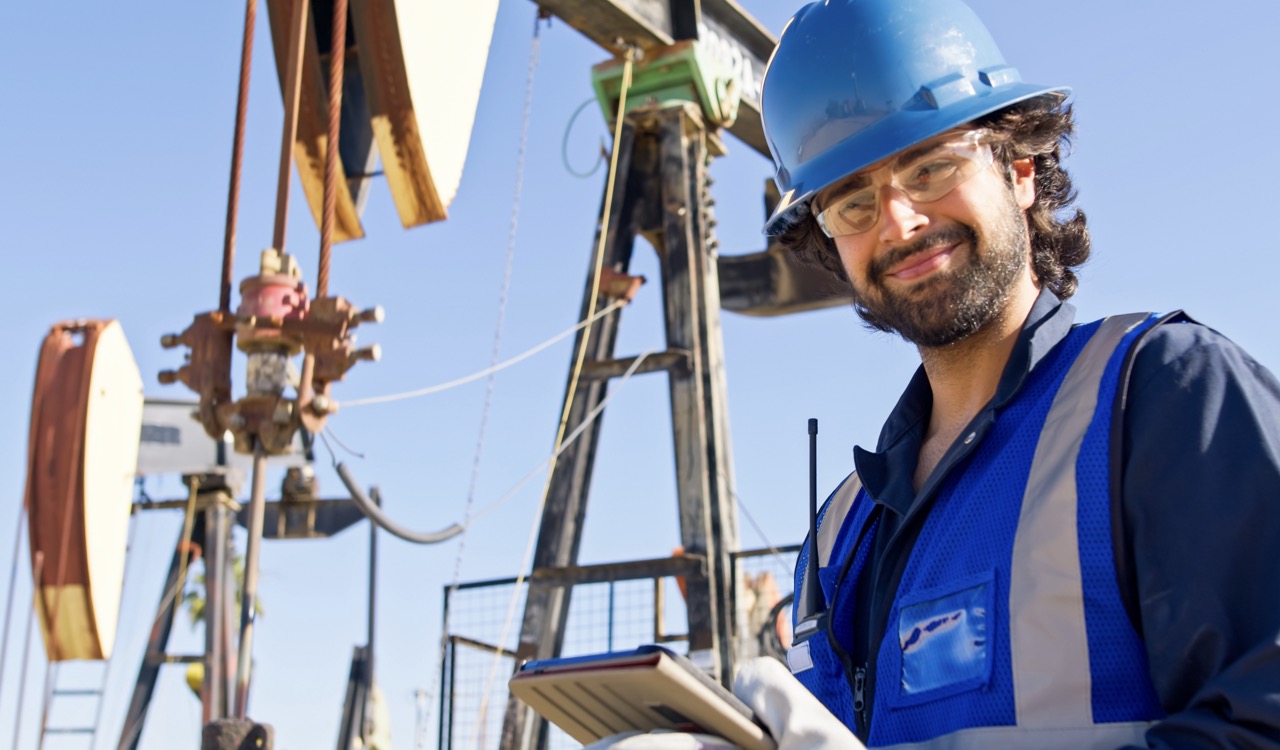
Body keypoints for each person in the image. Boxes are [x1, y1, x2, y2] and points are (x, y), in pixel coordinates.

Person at [751, 0, 1280, 748]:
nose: (898, 222)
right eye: (853, 201)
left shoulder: (1164, 399)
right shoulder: (841, 533)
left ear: (1020, 167)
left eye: (930, 166)